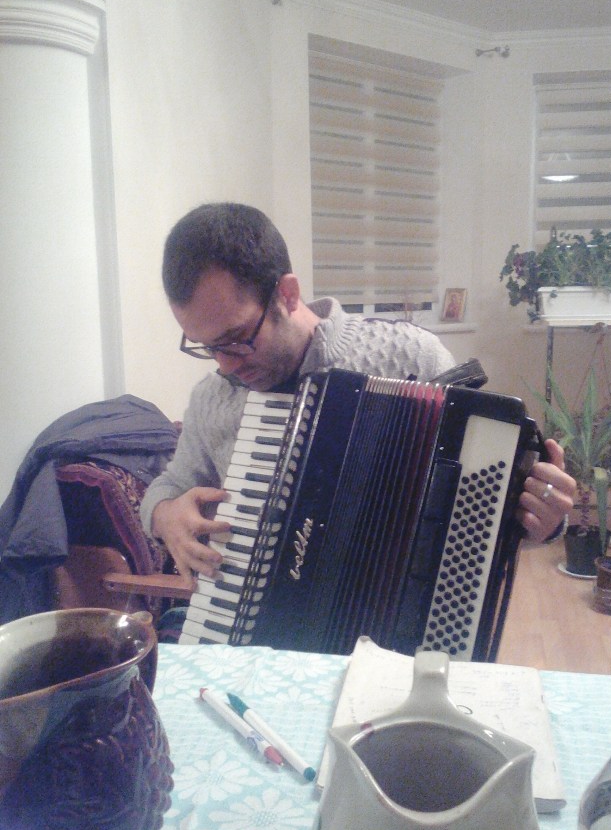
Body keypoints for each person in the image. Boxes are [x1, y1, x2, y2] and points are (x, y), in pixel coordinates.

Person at [141, 203, 576, 588]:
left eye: (235, 338)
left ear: (287, 295)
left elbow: (491, 502)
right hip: (261, 643)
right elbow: (172, 484)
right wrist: (164, 513)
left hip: (402, 622)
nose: (225, 364)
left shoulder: (411, 355)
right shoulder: (211, 399)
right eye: (206, 345)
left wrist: (542, 521)